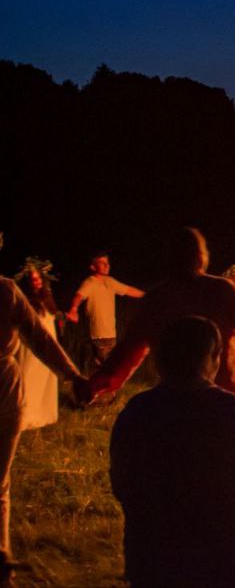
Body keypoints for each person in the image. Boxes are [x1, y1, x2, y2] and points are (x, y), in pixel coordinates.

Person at [110, 316, 235, 588]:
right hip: (229, 556)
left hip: (157, 557)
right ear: (214, 359)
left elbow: (122, 483)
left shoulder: (137, 412)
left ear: (158, 361)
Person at [77, 228, 235, 407]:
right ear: (202, 256)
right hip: (223, 399)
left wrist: (93, 386)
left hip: (177, 402)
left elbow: (125, 356)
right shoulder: (221, 291)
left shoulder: (159, 299)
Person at [0, 249, 85, 581]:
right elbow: (39, 338)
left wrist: (72, 376)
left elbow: (40, 338)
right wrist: (73, 376)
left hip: (6, 396)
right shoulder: (6, 290)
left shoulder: (7, 290)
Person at [66, 252, 144, 367]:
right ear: (93, 267)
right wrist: (73, 309)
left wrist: (147, 296)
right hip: (98, 334)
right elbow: (79, 296)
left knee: (109, 366)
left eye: (107, 263)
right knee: (106, 366)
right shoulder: (90, 282)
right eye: (102, 263)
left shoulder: (110, 281)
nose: (107, 266)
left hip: (111, 333)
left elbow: (129, 290)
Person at [14, 259, 65, 430]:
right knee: (28, 378)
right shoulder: (24, 301)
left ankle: (44, 415)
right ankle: (25, 415)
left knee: (45, 380)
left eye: (38, 279)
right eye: (32, 280)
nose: (36, 283)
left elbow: (51, 317)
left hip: (48, 345)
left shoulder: (47, 297)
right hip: (31, 348)